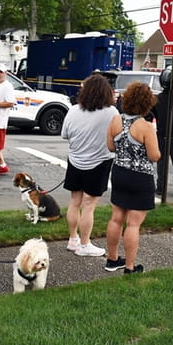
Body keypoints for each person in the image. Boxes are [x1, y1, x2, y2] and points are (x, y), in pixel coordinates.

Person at [104, 82, 160, 274]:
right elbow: (154, 156)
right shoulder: (145, 127)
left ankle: (112, 259)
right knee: (133, 223)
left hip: (119, 172)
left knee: (116, 219)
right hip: (140, 177)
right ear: (147, 103)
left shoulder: (115, 121)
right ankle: (129, 266)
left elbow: (111, 147)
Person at [61, 74, 118, 257]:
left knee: (74, 202)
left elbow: (65, 134)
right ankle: (85, 245)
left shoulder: (73, 110)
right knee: (89, 205)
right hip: (99, 162)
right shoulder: (111, 112)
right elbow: (117, 137)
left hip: (75, 160)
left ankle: (73, 239)